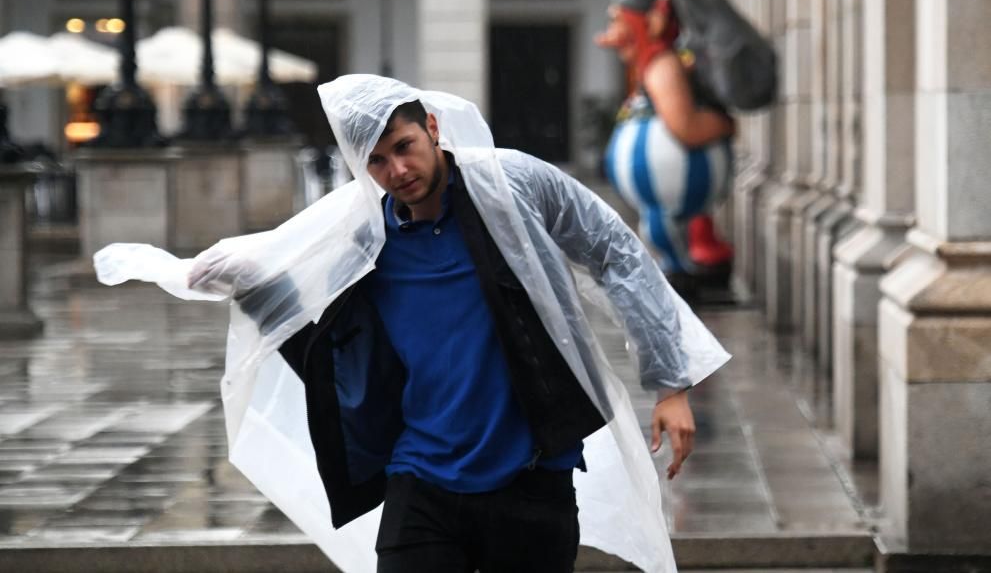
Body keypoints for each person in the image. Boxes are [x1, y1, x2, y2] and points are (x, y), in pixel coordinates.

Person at [94, 75, 730, 573]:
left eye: (405, 147)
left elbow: (614, 251)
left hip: (531, 480)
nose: (398, 170)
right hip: (421, 479)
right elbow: (314, 321)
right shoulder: (363, 233)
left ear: (431, 127)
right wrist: (238, 280)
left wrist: (670, 382)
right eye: (376, 161)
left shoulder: (513, 186)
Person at [597, 0, 735, 288]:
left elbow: (686, 127)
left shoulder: (662, 66)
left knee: (667, 227)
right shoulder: (651, 67)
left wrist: (722, 125)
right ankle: (679, 265)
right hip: (661, 201)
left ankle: (683, 268)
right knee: (662, 228)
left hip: (673, 194)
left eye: (620, 21)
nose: (613, 33)